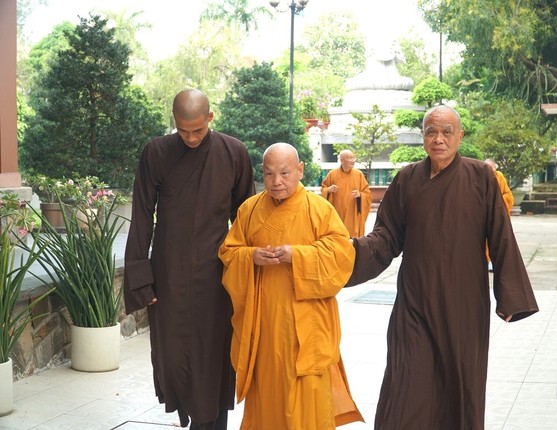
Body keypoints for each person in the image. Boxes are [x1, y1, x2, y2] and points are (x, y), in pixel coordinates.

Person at [346, 105, 539, 430]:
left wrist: (510, 298)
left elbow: (501, 236)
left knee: (458, 389)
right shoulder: (407, 179)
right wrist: (344, 255)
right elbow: (386, 237)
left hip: (463, 306)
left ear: (459, 136)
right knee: (405, 387)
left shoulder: (481, 177)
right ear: (423, 137)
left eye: (446, 132)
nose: (438, 139)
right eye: (431, 132)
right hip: (414, 304)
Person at [123, 88, 255, 430]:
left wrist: (249, 271)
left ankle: (210, 423)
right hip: (169, 271)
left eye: (198, 130)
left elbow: (247, 220)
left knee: (212, 354)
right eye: (183, 131)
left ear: (210, 117)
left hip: (217, 274)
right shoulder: (156, 152)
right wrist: (141, 278)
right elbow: (141, 215)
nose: (192, 138)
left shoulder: (234, 152)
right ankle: (190, 413)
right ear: (174, 121)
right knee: (173, 355)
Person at [218, 142, 364, 429]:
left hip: (306, 325)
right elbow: (229, 253)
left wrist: (298, 255)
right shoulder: (249, 210)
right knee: (268, 394)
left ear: (300, 170)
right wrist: (252, 256)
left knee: (306, 399)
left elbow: (342, 255)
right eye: (269, 174)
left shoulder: (319, 209)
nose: (277, 181)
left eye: (285, 173)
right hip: (265, 324)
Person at [320, 149, 372, 237]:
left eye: (353, 158)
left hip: (352, 216)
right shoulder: (332, 174)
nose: (353, 160)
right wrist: (329, 190)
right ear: (342, 160)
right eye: (350, 158)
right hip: (337, 214)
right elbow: (323, 189)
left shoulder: (358, 174)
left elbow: (367, 194)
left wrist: (359, 195)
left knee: (351, 239)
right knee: (337, 237)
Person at [484, 157, 514, 271]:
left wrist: (497, 204)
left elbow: (509, 196)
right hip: (483, 214)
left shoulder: (499, 177)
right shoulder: (479, 177)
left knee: (498, 238)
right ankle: (486, 260)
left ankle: (494, 261)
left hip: (497, 213)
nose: (490, 172)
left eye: (492, 169)